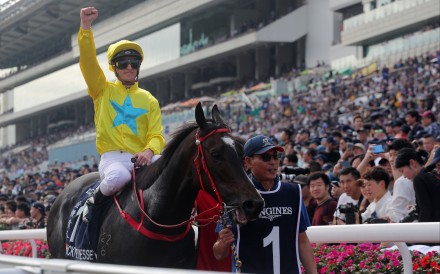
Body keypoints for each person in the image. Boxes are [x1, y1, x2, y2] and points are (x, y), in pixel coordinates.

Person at [78, 7, 166, 222]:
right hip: (113, 160)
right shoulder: (102, 90)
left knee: (174, 168)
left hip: (144, 158)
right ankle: (92, 202)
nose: (129, 67)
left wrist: (148, 150)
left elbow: (157, 135)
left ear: (138, 67)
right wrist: (86, 28)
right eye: (123, 63)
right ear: (114, 68)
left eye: (134, 63)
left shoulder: (149, 99)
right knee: (119, 177)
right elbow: (88, 63)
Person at [213, 135, 317, 274]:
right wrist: (222, 242)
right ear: (248, 162)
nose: (273, 162)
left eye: (275, 156)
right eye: (265, 157)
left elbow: (302, 241)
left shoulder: (294, 193)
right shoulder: (236, 197)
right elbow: (219, 254)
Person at [395, 148, 440, 222]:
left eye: (402, 171)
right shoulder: (430, 175)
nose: (404, 176)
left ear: (412, 163)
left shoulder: (419, 179)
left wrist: (419, 230)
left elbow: (426, 210)